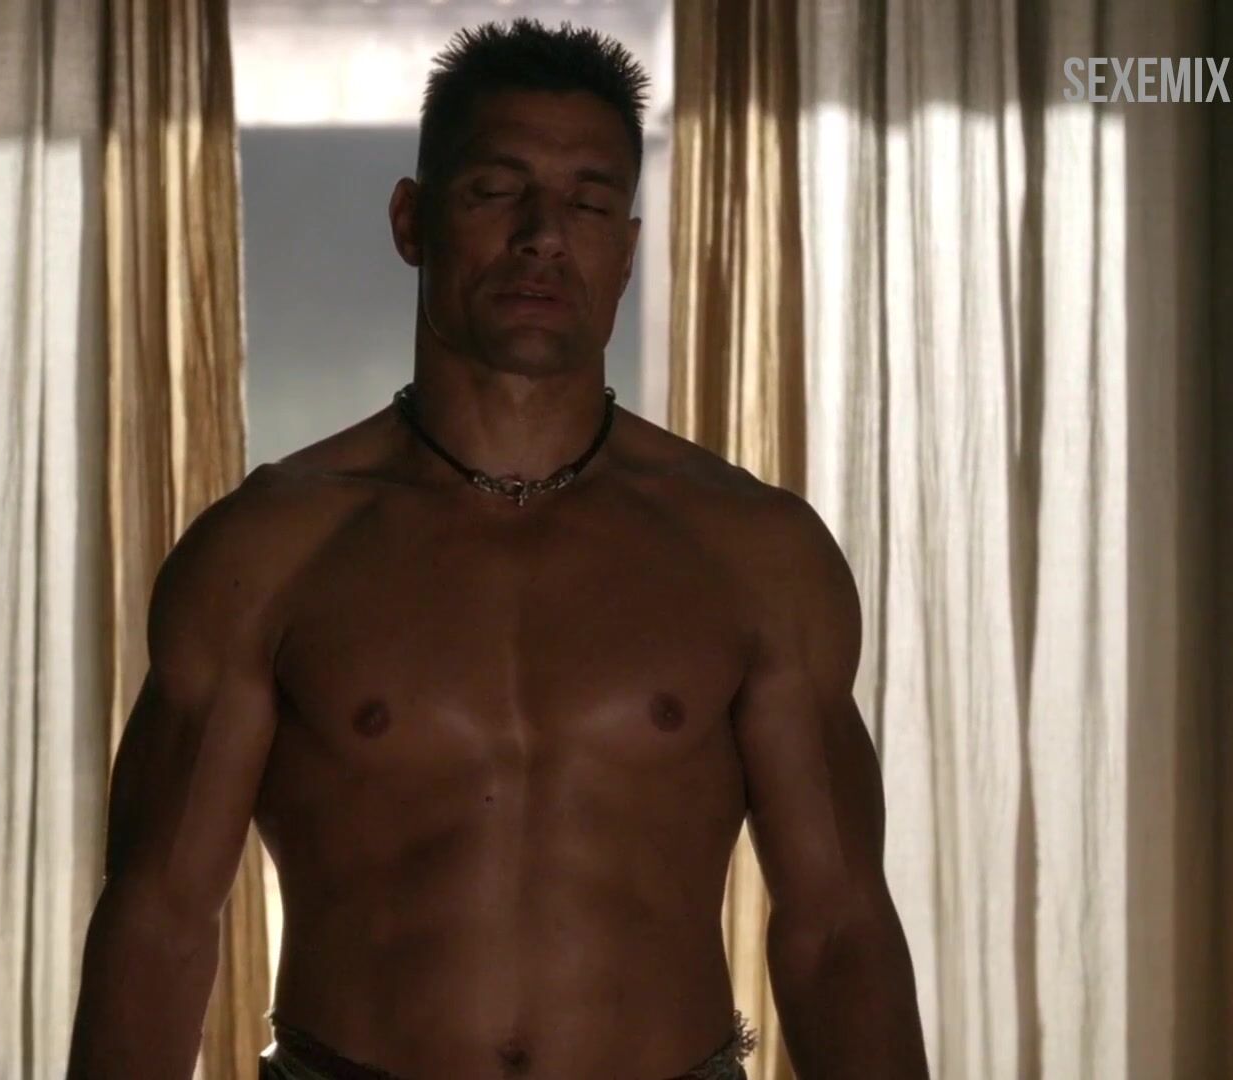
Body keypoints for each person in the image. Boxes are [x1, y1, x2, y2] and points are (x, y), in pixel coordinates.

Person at [68, 18, 927, 1080]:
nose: (542, 236)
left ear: (626, 248)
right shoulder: (269, 550)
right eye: (494, 190)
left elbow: (838, 927)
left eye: (588, 203)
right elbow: (159, 921)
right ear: (411, 219)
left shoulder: (755, 551)